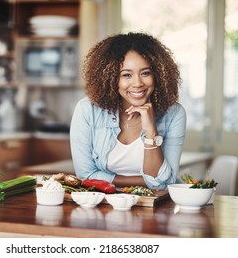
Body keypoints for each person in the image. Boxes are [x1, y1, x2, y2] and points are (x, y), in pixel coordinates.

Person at [69, 32, 186, 190]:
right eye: (126, 75)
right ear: (109, 78)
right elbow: (86, 175)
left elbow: (166, 182)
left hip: (156, 207)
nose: (137, 83)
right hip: (103, 205)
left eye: (145, 73)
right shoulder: (87, 110)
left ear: (158, 75)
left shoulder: (173, 114)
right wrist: (146, 182)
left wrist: (151, 131)